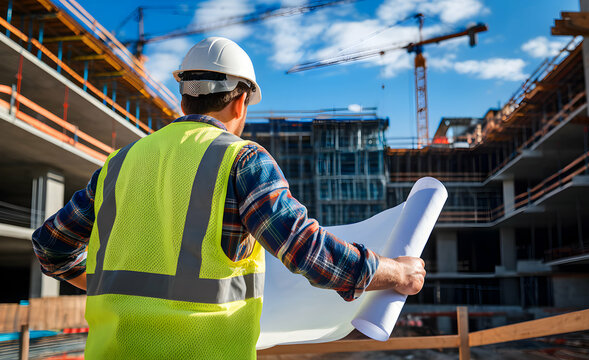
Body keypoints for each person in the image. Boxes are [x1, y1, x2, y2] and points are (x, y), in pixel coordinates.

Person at [31, 37, 426, 359]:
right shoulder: (241, 159)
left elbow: (50, 247)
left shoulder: (118, 165)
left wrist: (105, 283)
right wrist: (397, 272)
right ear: (240, 102)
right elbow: (307, 251)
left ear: (184, 99)